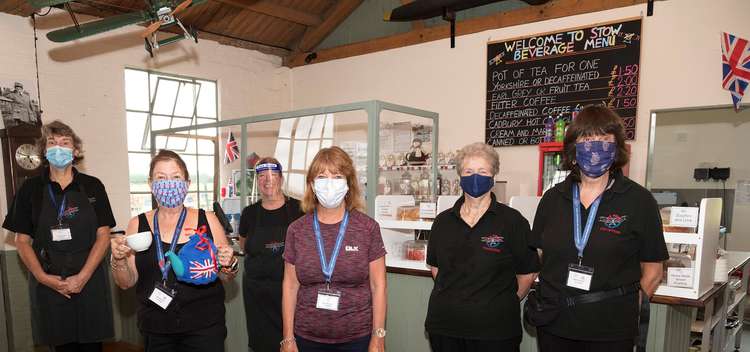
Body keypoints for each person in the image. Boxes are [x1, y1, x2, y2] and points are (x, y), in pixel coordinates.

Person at [529, 105, 668, 352]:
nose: (594, 148)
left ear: (616, 150)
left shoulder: (639, 201)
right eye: (587, 139)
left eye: (604, 140)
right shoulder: (552, 199)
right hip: (554, 323)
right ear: (573, 150)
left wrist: (627, 307)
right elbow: (537, 256)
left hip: (611, 328)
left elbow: (654, 270)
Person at [2, 120, 115, 352]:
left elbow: (103, 236)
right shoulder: (30, 189)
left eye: (65, 143)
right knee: (61, 347)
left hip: (90, 280)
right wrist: (43, 278)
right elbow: (21, 240)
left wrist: (82, 277)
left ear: (75, 151)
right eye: (52, 143)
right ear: (44, 150)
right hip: (50, 282)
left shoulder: (93, 186)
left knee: (92, 346)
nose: (58, 148)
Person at [109, 149, 238, 352]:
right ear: (151, 184)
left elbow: (225, 276)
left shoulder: (208, 220)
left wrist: (229, 264)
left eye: (176, 177)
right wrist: (118, 259)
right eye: (161, 178)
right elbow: (126, 282)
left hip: (204, 326)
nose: (169, 183)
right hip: (156, 327)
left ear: (187, 184)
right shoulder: (137, 225)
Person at [425, 142, 539, 352]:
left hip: (496, 331)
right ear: (460, 176)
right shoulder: (443, 222)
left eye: (482, 171)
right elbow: (436, 269)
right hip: (445, 327)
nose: (474, 177)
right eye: (468, 171)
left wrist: (501, 303)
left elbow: (527, 273)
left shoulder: (512, 221)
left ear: (493, 176)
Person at [281, 146, 387, 352]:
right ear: (311, 184)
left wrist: (378, 336)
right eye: (322, 176)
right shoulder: (296, 230)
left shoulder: (367, 228)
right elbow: (290, 286)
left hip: (358, 338)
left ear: (348, 184)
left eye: (337, 176)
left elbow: (379, 286)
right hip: (306, 337)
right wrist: (287, 338)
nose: (329, 183)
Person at [238, 157, 304, 352]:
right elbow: (243, 246)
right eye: (262, 176)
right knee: (261, 345)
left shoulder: (299, 209)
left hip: (290, 292)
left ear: (281, 179)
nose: (268, 180)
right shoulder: (249, 213)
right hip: (257, 295)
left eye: (273, 175)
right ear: (257, 181)